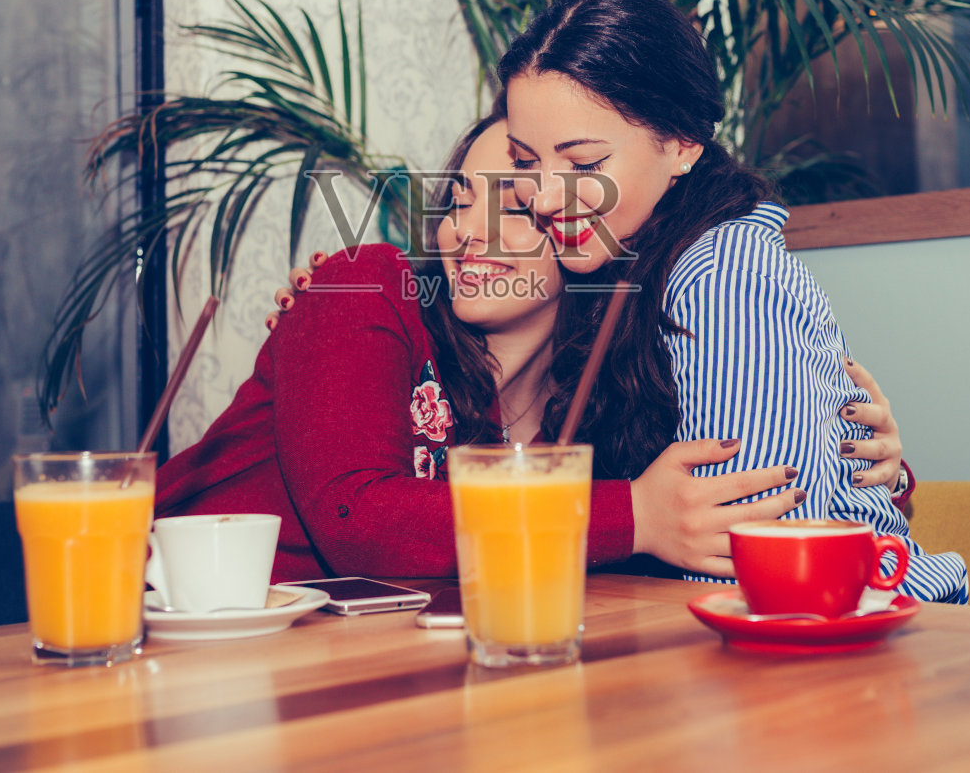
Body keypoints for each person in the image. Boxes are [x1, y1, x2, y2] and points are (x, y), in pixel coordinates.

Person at [155, 116, 805, 581]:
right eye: (461, 200)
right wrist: (630, 515)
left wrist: (850, 425)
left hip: (348, 677)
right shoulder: (367, 287)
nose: (466, 230)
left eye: (512, 208)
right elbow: (356, 518)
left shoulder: (585, 422)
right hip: (155, 619)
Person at [494, 0, 966, 601]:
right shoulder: (608, 265)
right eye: (525, 163)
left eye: (584, 164)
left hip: (846, 635)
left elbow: (753, 559)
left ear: (682, 144)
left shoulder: (725, 278)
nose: (544, 196)